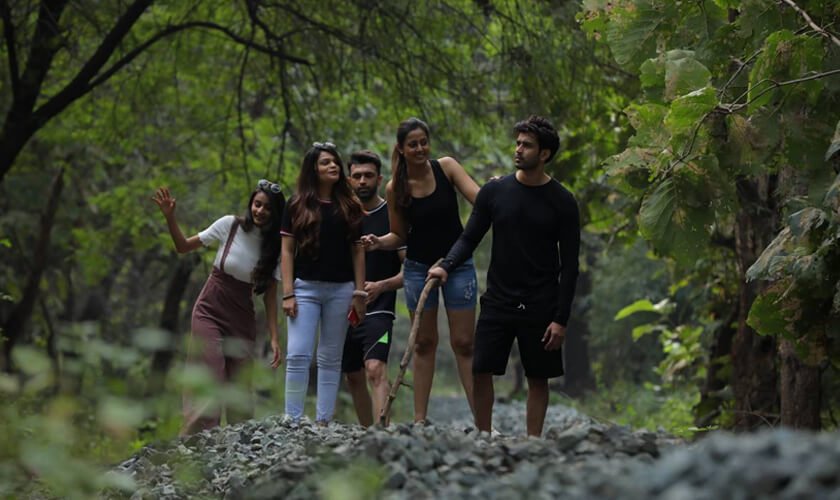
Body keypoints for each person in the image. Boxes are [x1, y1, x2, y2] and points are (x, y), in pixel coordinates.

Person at [427, 115, 581, 437]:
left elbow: (570, 265)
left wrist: (561, 319)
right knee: (481, 368)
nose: (519, 150)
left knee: (537, 378)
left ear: (545, 154)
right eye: (518, 143)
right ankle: (484, 436)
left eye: (527, 145)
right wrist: (446, 265)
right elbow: (469, 238)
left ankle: (533, 442)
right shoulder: (495, 192)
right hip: (498, 299)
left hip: (541, 303)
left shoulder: (563, 202)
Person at [361, 117, 479, 424]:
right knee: (424, 343)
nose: (420, 148)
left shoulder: (447, 167)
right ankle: (419, 419)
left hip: (458, 264)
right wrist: (378, 242)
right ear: (401, 149)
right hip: (417, 269)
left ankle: (483, 421)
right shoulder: (394, 187)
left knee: (464, 342)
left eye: (423, 142)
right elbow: (399, 236)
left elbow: (479, 200)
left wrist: (498, 191)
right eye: (412, 144)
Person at [153, 180, 286, 435]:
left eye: (267, 208)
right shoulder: (230, 225)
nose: (260, 211)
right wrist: (170, 218)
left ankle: (240, 443)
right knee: (210, 375)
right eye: (257, 204)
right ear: (251, 204)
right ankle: (198, 440)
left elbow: (271, 295)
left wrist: (274, 337)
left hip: (241, 314)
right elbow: (183, 247)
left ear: (275, 213)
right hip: (210, 308)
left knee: (239, 385)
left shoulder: (275, 248)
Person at [281, 142, 366, 424]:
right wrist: (287, 294)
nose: (333, 166)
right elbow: (286, 251)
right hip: (304, 289)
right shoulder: (296, 205)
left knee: (330, 357)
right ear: (313, 169)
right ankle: (292, 419)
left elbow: (357, 250)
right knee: (297, 354)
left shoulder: (350, 206)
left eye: (335, 162)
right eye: (325, 162)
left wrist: (359, 292)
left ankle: (323, 420)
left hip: (341, 290)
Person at [342, 150, 405, 426]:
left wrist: (382, 286)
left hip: (380, 309)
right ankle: (365, 432)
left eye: (368, 175)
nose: (362, 181)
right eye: (357, 176)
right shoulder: (342, 215)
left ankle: (380, 433)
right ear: (349, 180)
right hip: (342, 307)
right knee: (353, 374)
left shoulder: (392, 217)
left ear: (379, 179)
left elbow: (411, 271)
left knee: (375, 368)